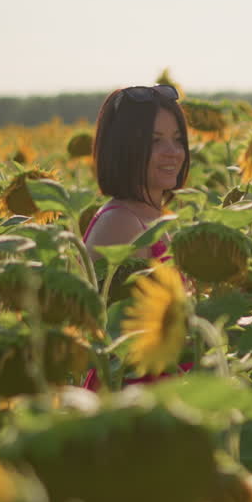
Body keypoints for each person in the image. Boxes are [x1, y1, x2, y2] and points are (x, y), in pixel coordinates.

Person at [81, 84, 192, 390]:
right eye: (155, 141)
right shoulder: (121, 224)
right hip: (134, 401)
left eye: (177, 139)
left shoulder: (154, 217)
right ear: (124, 149)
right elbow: (117, 341)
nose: (173, 152)